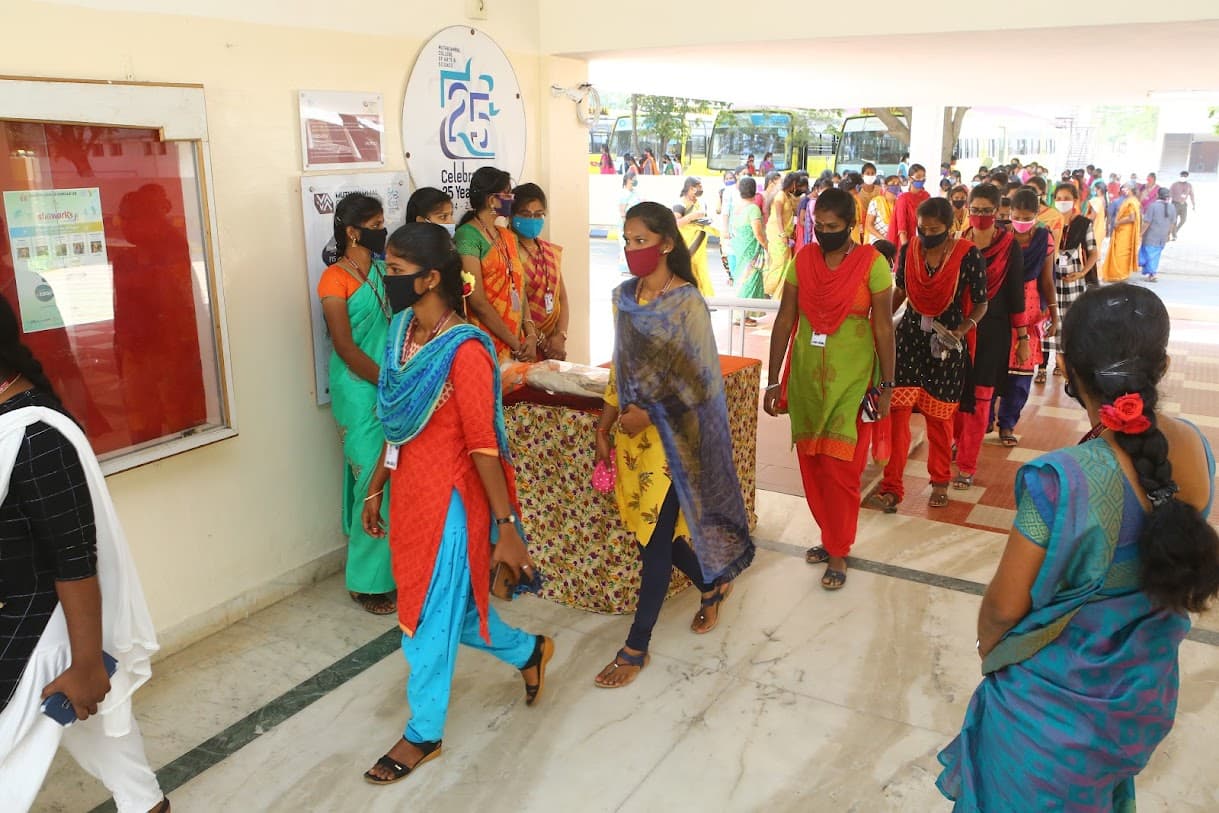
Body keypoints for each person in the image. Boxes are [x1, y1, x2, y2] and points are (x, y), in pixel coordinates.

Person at [937, 283, 1219, 811]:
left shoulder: (1060, 480)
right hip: (1138, 705)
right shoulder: (1197, 450)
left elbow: (1003, 607)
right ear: (1161, 366)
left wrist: (991, 652)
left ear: (1065, 368)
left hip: (1046, 723)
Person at [361, 223, 554, 785]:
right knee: (455, 612)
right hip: (409, 493)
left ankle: (423, 732)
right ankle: (529, 652)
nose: (386, 278)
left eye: (396, 271)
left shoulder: (466, 350)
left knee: (425, 616)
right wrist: (376, 484)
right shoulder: (401, 331)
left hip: (450, 502)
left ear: (430, 279)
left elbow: (483, 446)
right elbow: (396, 422)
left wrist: (506, 526)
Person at [0, 294, 166, 813]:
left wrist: (89, 664)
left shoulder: (35, 436)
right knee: (107, 739)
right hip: (21, 613)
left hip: (37, 624)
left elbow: (73, 558)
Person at [594, 202, 754, 687]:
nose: (631, 249)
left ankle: (636, 646)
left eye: (640, 240)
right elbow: (620, 366)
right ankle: (712, 583)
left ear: (665, 243)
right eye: (627, 240)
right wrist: (605, 424)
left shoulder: (687, 303)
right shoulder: (624, 298)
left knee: (654, 543)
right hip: (631, 439)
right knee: (654, 534)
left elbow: (701, 381)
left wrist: (651, 413)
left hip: (671, 440)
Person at [764, 189, 896, 589]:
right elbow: (785, 319)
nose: (824, 232)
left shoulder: (873, 264)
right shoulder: (803, 260)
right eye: (818, 225)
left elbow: (883, 327)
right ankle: (830, 534)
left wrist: (887, 386)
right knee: (814, 466)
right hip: (806, 379)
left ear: (851, 225)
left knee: (842, 470)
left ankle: (838, 549)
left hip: (853, 380)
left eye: (832, 226)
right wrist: (773, 379)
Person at [868, 199, 987, 513]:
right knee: (897, 416)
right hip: (909, 340)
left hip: (946, 342)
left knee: (939, 419)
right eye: (922, 229)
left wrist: (961, 330)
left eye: (935, 230)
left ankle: (940, 482)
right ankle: (892, 487)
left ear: (950, 228)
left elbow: (981, 303)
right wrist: (879, 323)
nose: (927, 235)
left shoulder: (968, 255)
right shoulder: (910, 250)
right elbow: (901, 291)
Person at [317, 193, 396, 615]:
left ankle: (393, 568)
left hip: (391, 383)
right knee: (370, 477)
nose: (383, 231)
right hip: (358, 387)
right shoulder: (334, 279)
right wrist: (385, 381)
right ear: (352, 232)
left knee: (391, 474)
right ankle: (367, 583)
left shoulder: (385, 271)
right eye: (376, 224)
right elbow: (345, 346)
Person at [952, 184, 1028, 490]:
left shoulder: (1009, 247)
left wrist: (1023, 338)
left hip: (993, 332)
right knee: (955, 395)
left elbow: (1016, 295)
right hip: (959, 330)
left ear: (997, 212)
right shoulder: (958, 243)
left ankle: (967, 465)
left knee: (981, 399)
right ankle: (959, 442)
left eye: (986, 211)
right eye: (975, 210)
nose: (980, 216)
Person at [993, 189, 1059, 447]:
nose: (1021, 222)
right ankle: (983, 420)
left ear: (1037, 215)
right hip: (999, 308)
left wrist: (1055, 315)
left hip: (1030, 311)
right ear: (1009, 214)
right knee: (991, 367)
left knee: (1021, 374)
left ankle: (1007, 425)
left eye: (1027, 217)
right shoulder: (999, 236)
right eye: (1016, 217)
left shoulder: (1044, 239)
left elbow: (1047, 280)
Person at [455, 167, 537, 362]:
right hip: (487, 343)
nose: (512, 199)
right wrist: (515, 343)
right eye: (507, 194)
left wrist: (531, 334)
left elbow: (519, 287)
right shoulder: (467, 236)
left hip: (518, 340)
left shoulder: (507, 236)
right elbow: (477, 302)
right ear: (492, 200)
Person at [1037, 182, 1097, 383]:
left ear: (1075, 201)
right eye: (1059, 199)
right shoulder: (1046, 220)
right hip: (1048, 275)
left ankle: (1060, 363)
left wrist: (1082, 273)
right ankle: (1042, 366)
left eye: (1067, 199)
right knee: (1046, 318)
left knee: (1069, 322)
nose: (1062, 202)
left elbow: (1093, 252)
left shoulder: (1083, 223)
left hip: (1072, 279)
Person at [511, 183, 569, 360]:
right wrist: (542, 342)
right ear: (511, 215)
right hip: (523, 344)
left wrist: (561, 336)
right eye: (525, 214)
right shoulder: (507, 252)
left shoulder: (548, 251)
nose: (532, 219)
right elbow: (515, 307)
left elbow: (562, 298)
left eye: (538, 214)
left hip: (554, 345)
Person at [673, 178, 715, 297]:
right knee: (688, 271)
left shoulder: (700, 203)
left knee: (700, 273)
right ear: (691, 188)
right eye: (699, 187)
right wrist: (692, 217)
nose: (701, 189)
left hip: (699, 245)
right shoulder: (680, 204)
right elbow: (676, 223)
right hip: (688, 245)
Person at [764, 172, 800, 301]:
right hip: (777, 235)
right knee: (779, 263)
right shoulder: (780, 196)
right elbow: (778, 216)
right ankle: (767, 290)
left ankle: (778, 295)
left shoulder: (787, 196)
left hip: (784, 235)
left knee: (785, 264)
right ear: (793, 183)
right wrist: (782, 234)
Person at [1102, 181, 1142, 282]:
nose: (1124, 190)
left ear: (1131, 189)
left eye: (1126, 188)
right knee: (1120, 252)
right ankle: (1117, 273)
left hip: (1125, 231)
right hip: (1123, 230)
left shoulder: (1132, 201)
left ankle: (1119, 274)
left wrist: (1118, 222)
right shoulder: (1131, 200)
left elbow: (1132, 218)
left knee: (1121, 253)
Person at [1139, 188, 1175, 283]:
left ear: (1157, 195)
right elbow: (1172, 223)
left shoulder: (1153, 206)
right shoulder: (1172, 207)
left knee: (1149, 255)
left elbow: (1147, 222)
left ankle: (1152, 274)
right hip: (1162, 236)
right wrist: (1168, 234)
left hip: (1151, 235)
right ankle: (1151, 273)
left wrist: (1140, 233)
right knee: (1155, 255)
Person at [891, 163, 929, 249]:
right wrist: (906, 248)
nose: (921, 179)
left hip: (925, 240)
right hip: (908, 241)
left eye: (923, 177)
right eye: (918, 177)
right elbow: (901, 227)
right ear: (910, 179)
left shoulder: (926, 196)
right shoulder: (903, 199)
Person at [865, 175, 900, 245]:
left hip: (894, 241)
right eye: (893, 183)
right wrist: (884, 239)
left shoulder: (899, 203)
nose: (896, 186)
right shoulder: (876, 202)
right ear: (886, 186)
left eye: (898, 184)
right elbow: (868, 225)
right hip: (877, 240)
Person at [718, 171, 739, 284]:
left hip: (735, 227)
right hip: (728, 227)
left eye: (731, 178)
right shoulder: (724, 192)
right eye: (727, 178)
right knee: (727, 252)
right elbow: (721, 211)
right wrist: (725, 229)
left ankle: (734, 277)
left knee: (733, 252)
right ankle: (732, 276)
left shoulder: (739, 190)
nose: (729, 180)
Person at [1170, 171, 1195, 239]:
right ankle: (1174, 235)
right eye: (1182, 176)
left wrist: (1193, 204)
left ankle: (1174, 231)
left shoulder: (1189, 185)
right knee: (1174, 220)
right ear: (1180, 176)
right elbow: (1170, 194)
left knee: (1183, 220)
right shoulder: (1174, 184)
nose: (1183, 177)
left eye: (1185, 176)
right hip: (1175, 204)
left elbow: (1192, 195)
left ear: (1187, 177)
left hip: (1183, 205)